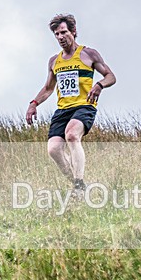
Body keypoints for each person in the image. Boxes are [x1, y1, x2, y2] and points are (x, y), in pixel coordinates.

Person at [26, 14, 116, 194]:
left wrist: (99, 85)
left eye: (63, 32)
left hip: (84, 106)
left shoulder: (88, 54)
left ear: (73, 32)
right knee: (53, 150)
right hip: (62, 110)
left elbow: (110, 76)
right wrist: (34, 103)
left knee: (72, 135)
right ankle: (79, 186)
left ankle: (78, 183)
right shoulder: (54, 61)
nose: (60, 37)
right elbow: (48, 88)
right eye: (57, 34)